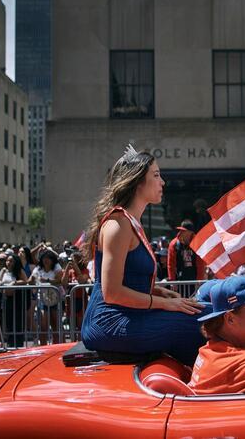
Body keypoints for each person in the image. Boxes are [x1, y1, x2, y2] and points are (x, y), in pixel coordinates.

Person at [80, 148, 210, 365]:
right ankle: (210, 384)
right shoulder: (118, 224)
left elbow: (130, 282)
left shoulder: (130, 223)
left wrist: (164, 294)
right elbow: (112, 293)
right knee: (201, 322)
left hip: (128, 316)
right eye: (157, 175)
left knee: (208, 311)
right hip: (109, 323)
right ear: (138, 181)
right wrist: (165, 303)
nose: (163, 182)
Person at [29, 249, 64, 344]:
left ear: (52, 259)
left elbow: (59, 280)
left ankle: (57, 345)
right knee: (43, 324)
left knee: (55, 323)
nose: (46, 260)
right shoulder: (38, 268)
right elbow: (31, 280)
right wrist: (32, 280)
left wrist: (47, 280)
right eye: (44, 258)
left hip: (55, 299)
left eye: (48, 258)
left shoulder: (56, 267)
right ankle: (43, 345)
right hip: (42, 299)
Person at [0, 253, 30, 347]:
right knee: (8, 323)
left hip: (17, 300)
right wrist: (2, 272)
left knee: (18, 323)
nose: (8, 263)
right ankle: (10, 344)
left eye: (11, 261)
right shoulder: (4, 271)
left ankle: (18, 344)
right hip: (6, 299)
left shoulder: (19, 270)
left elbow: (25, 281)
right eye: (7, 261)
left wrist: (14, 283)